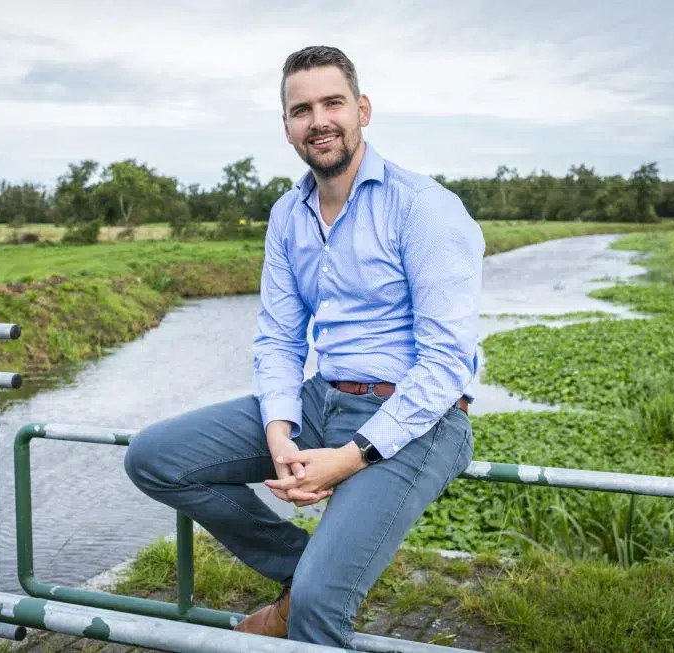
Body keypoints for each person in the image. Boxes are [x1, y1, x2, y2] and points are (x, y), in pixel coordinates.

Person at [124, 44, 485, 650]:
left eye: (333, 102)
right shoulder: (288, 214)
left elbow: (447, 363)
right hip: (323, 398)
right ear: (287, 126)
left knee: (320, 610)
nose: (318, 119)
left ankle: (314, 591)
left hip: (422, 418)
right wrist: (279, 432)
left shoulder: (425, 208)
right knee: (155, 457)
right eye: (301, 109)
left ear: (362, 110)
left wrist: (350, 457)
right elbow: (279, 337)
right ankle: (310, 568)